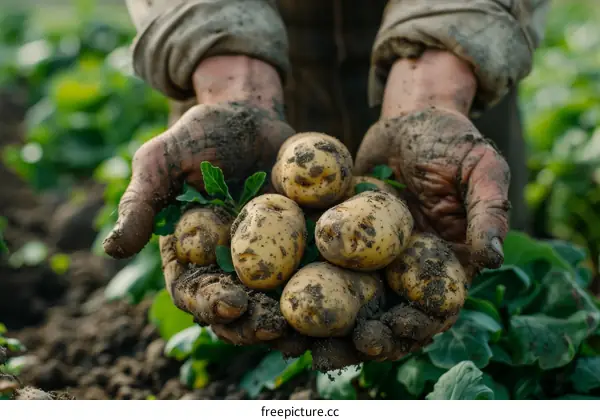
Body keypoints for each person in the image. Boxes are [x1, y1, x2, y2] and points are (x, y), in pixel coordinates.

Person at [103, 0, 550, 369]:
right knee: (243, 340)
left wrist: (435, 84)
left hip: (452, 61)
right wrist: (231, 77)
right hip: (247, 47)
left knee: (478, 256)